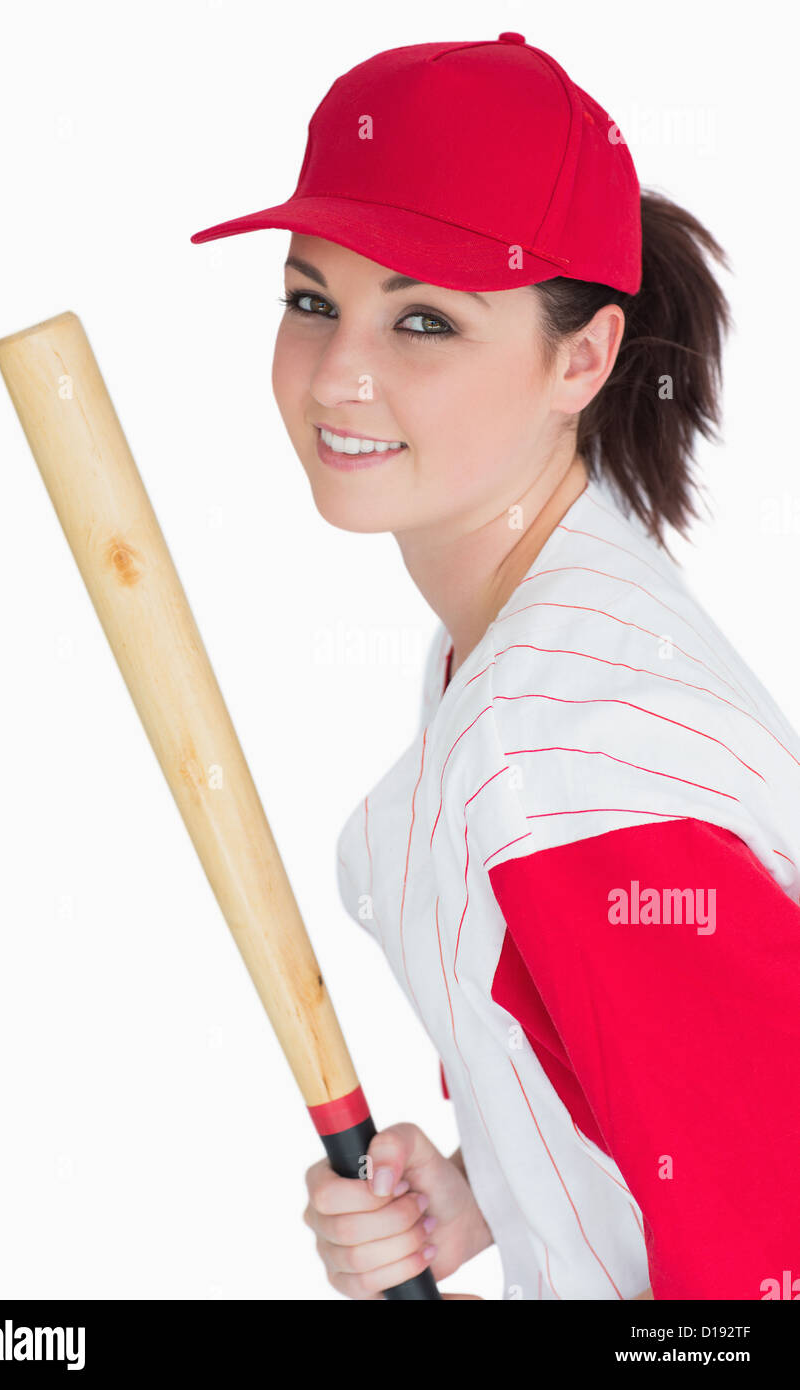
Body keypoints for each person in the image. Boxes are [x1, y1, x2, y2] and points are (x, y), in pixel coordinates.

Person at [191, 34, 800, 1300]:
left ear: (580, 360)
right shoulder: (524, 637)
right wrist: (495, 1182)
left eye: (423, 319)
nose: (338, 374)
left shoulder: (571, 759)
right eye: (312, 299)